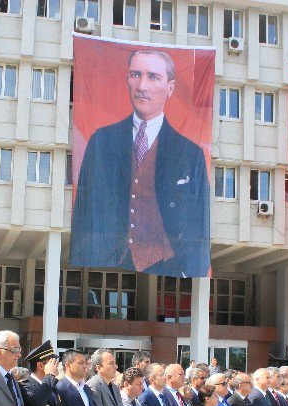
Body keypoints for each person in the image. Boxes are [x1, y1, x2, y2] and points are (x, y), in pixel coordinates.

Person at [70, 49, 210, 277]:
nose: (142, 85)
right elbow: (85, 207)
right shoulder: (102, 140)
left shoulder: (190, 152)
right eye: (135, 75)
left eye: (153, 77)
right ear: (127, 80)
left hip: (169, 262)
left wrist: (192, 267)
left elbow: (198, 218)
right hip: (108, 260)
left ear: (170, 87)